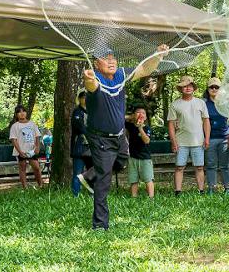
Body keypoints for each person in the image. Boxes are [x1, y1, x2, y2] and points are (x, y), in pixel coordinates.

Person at [77, 44, 169, 230]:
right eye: (106, 58)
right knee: (104, 181)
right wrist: (88, 78)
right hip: (100, 138)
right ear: (97, 63)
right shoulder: (96, 79)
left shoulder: (120, 75)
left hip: (119, 137)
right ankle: (100, 225)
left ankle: (90, 175)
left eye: (113, 58)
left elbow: (144, 69)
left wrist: (158, 56)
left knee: (121, 161)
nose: (111, 61)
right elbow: (91, 85)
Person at [167, 75, 210, 196]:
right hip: (181, 141)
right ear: (181, 89)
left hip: (198, 141)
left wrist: (207, 138)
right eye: (185, 86)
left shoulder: (201, 103)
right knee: (179, 167)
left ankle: (201, 190)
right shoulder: (175, 104)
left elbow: (206, 121)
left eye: (190, 85)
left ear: (193, 88)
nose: (188, 88)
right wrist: (173, 141)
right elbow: (171, 125)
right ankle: (178, 192)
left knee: (200, 167)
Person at [203, 77, 229, 194]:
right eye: (211, 87)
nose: (214, 89)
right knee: (211, 165)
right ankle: (211, 188)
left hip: (225, 138)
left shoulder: (226, 103)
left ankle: (227, 188)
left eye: (217, 87)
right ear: (208, 89)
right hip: (210, 139)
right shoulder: (204, 104)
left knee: (225, 165)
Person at [9, 104, 43, 189]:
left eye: (23, 111)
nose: (22, 113)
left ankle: (41, 185)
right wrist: (20, 152)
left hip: (32, 150)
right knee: (22, 168)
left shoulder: (32, 124)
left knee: (36, 167)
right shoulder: (15, 126)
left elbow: (37, 136)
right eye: (19, 112)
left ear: (26, 113)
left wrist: (37, 147)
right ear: (16, 114)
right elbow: (14, 140)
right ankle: (25, 188)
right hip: (21, 151)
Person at [125, 106, 154, 198]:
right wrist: (132, 117)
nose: (141, 114)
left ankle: (151, 197)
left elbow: (147, 141)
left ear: (145, 117)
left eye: (143, 113)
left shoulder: (147, 128)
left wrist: (140, 128)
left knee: (148, 179)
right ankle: (134, 197)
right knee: (133, 180)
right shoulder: (130, 126)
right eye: (138, 112)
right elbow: (119, 118)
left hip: (145, 158)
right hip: (132, 157)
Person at [70, 91, 93, 197]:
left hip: (92, 148)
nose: (86, 99)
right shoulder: (77, 112)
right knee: (77, 173)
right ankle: (75, 195)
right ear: (79, 99)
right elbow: (81, 127)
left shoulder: (93, 112)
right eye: (83, 97)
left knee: (91, 173)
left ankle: (92, 194)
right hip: (79, 147)